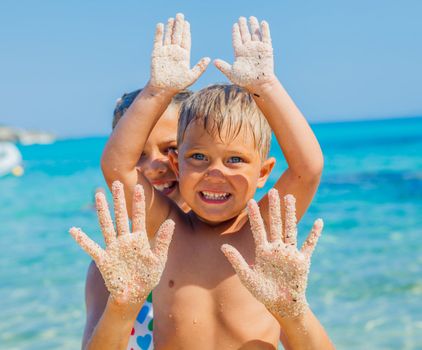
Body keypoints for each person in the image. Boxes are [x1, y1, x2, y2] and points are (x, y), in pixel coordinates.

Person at [71, 13, 335, 349]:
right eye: (198, 157)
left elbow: (307, 169)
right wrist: (158, 90)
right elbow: (118, 167)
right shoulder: (167, 231)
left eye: (235, 160)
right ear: (177, 166)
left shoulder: (264, 232)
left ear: (264, 174)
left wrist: (266, 86)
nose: (216, 172)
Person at [82, 89, 192, 350]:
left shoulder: (237, 247)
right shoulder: (108, 270)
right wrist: (123, 306)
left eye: (172, 149)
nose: (155, 165)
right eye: (138, 154)